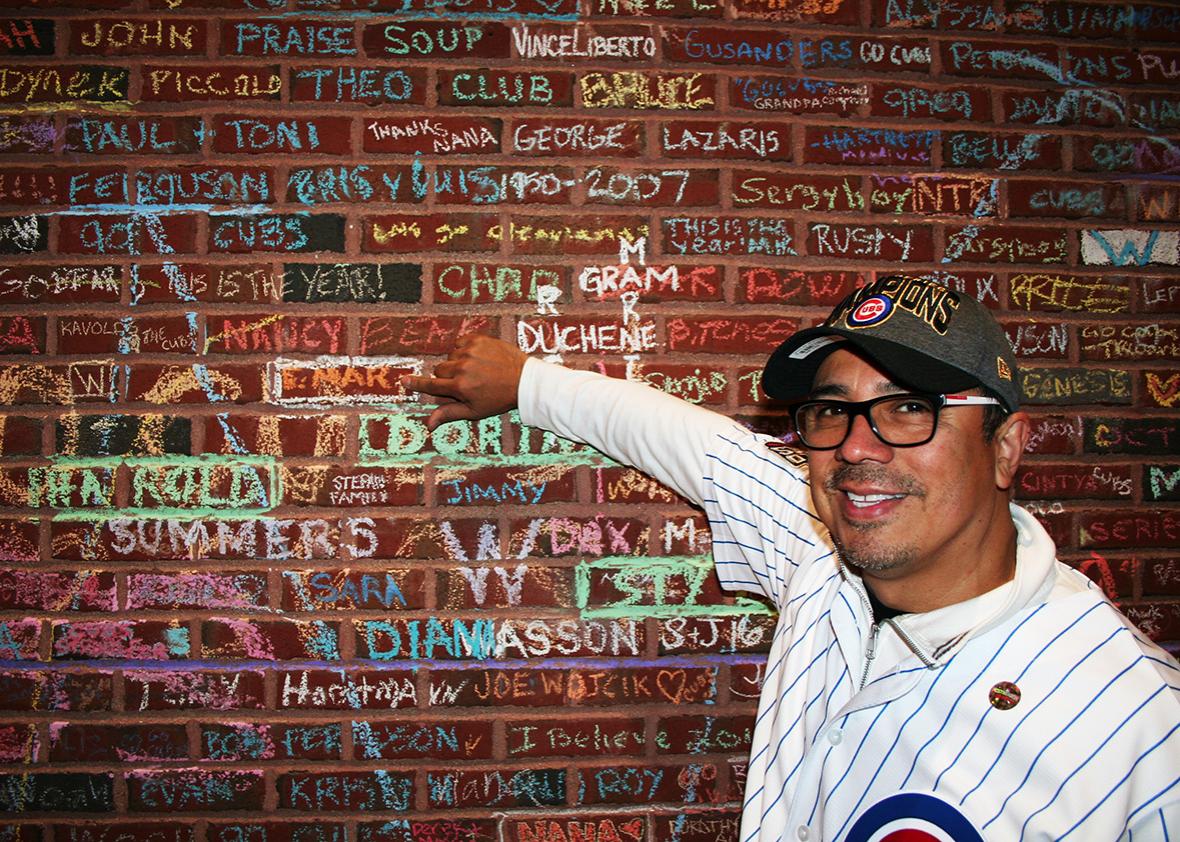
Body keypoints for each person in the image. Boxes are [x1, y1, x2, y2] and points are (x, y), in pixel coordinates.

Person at [404, 274, 1180, 841]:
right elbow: (701, 447)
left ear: (1005, 444)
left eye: (910, 407)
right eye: (831, 411)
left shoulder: (1141, 720)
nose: (857, 448)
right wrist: (529, 385)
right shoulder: (825, 555)